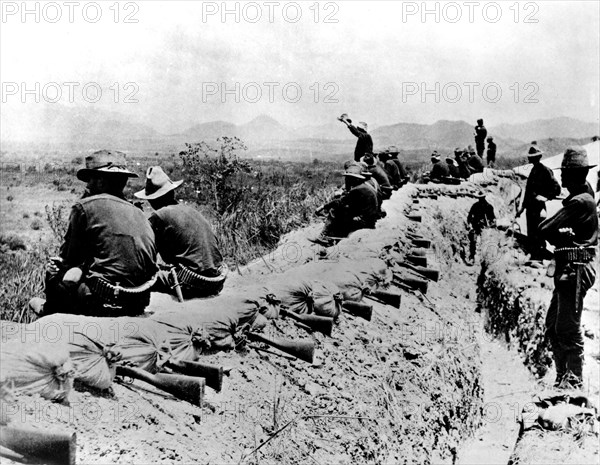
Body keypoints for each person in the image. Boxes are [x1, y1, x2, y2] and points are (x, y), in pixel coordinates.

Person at [30, 150, 158, 317]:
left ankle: (50, 311)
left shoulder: (84, 207)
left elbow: (70, 259)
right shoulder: (140, 213)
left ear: (101, 182)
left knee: (56, 271)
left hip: (102, 300)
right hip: (138, 300)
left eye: (90, 180)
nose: (87, 186)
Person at [539, 147, 598, 389]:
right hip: (570, 267)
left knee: (567, 328)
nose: (561, 178)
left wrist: (556, 234)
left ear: (577, 175)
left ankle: (574, 382)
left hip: (577, 268)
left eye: (565, 174)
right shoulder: (585, 194)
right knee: (553, 325)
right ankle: (562, 377)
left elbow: (545, 228)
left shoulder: (579, 201)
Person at [134, 166, 227, 300]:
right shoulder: (191, 211)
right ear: (171, 192)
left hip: (192, 283)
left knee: (141, 276)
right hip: (217, 280)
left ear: (153, 199)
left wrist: (139, 220)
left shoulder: (160, 216)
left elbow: (144, 255)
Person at [312, 164, 379, 246]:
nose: (346, 179)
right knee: (344, 210)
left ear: (355, 179)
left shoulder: (357, 190)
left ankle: (323, 235)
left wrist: (323, 207)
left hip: (365, 221)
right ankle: (335, 235)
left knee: (334, 211)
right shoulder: (364, 187)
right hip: (370, 219)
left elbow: (339, 202)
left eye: (349, 177)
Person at [516, 145, 561, 261]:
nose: (530, 159)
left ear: (538, 157)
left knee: (539, 231)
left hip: (539, 207)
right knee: (531, 231)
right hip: (530, 207)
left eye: (533, 157)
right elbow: (528, 193)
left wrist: (546, 197)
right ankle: (534, 255)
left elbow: (556, 188)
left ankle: (541, 256)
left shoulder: (545, 171)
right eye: (530, 157)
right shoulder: (533, 171)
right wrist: (522, 208)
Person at [466, 192, 496, 262]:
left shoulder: (489, 207)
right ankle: (472, 257)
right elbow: (469, 216)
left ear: (484, 197)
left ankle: (485, 260)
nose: (480, 200)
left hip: (485, 228)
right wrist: (469, 224)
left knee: (485, 243)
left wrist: (490, 225)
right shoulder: (475, 206)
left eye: (481, 198)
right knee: (473, 241)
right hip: (475, 226)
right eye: (479, 198)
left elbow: (492, 219)